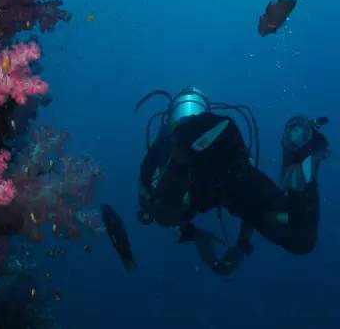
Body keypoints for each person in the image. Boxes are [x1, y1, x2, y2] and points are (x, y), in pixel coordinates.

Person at [136, 87, 330, 276]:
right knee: (301, 241)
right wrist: (240, 246)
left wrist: (209, 239)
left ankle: (294, 150)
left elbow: (149, 184)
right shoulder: (195, 196)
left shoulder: (166, 148)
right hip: (227, 166)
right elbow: (251, 204)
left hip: (213, 158)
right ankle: (298, 150)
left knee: (164, 214)